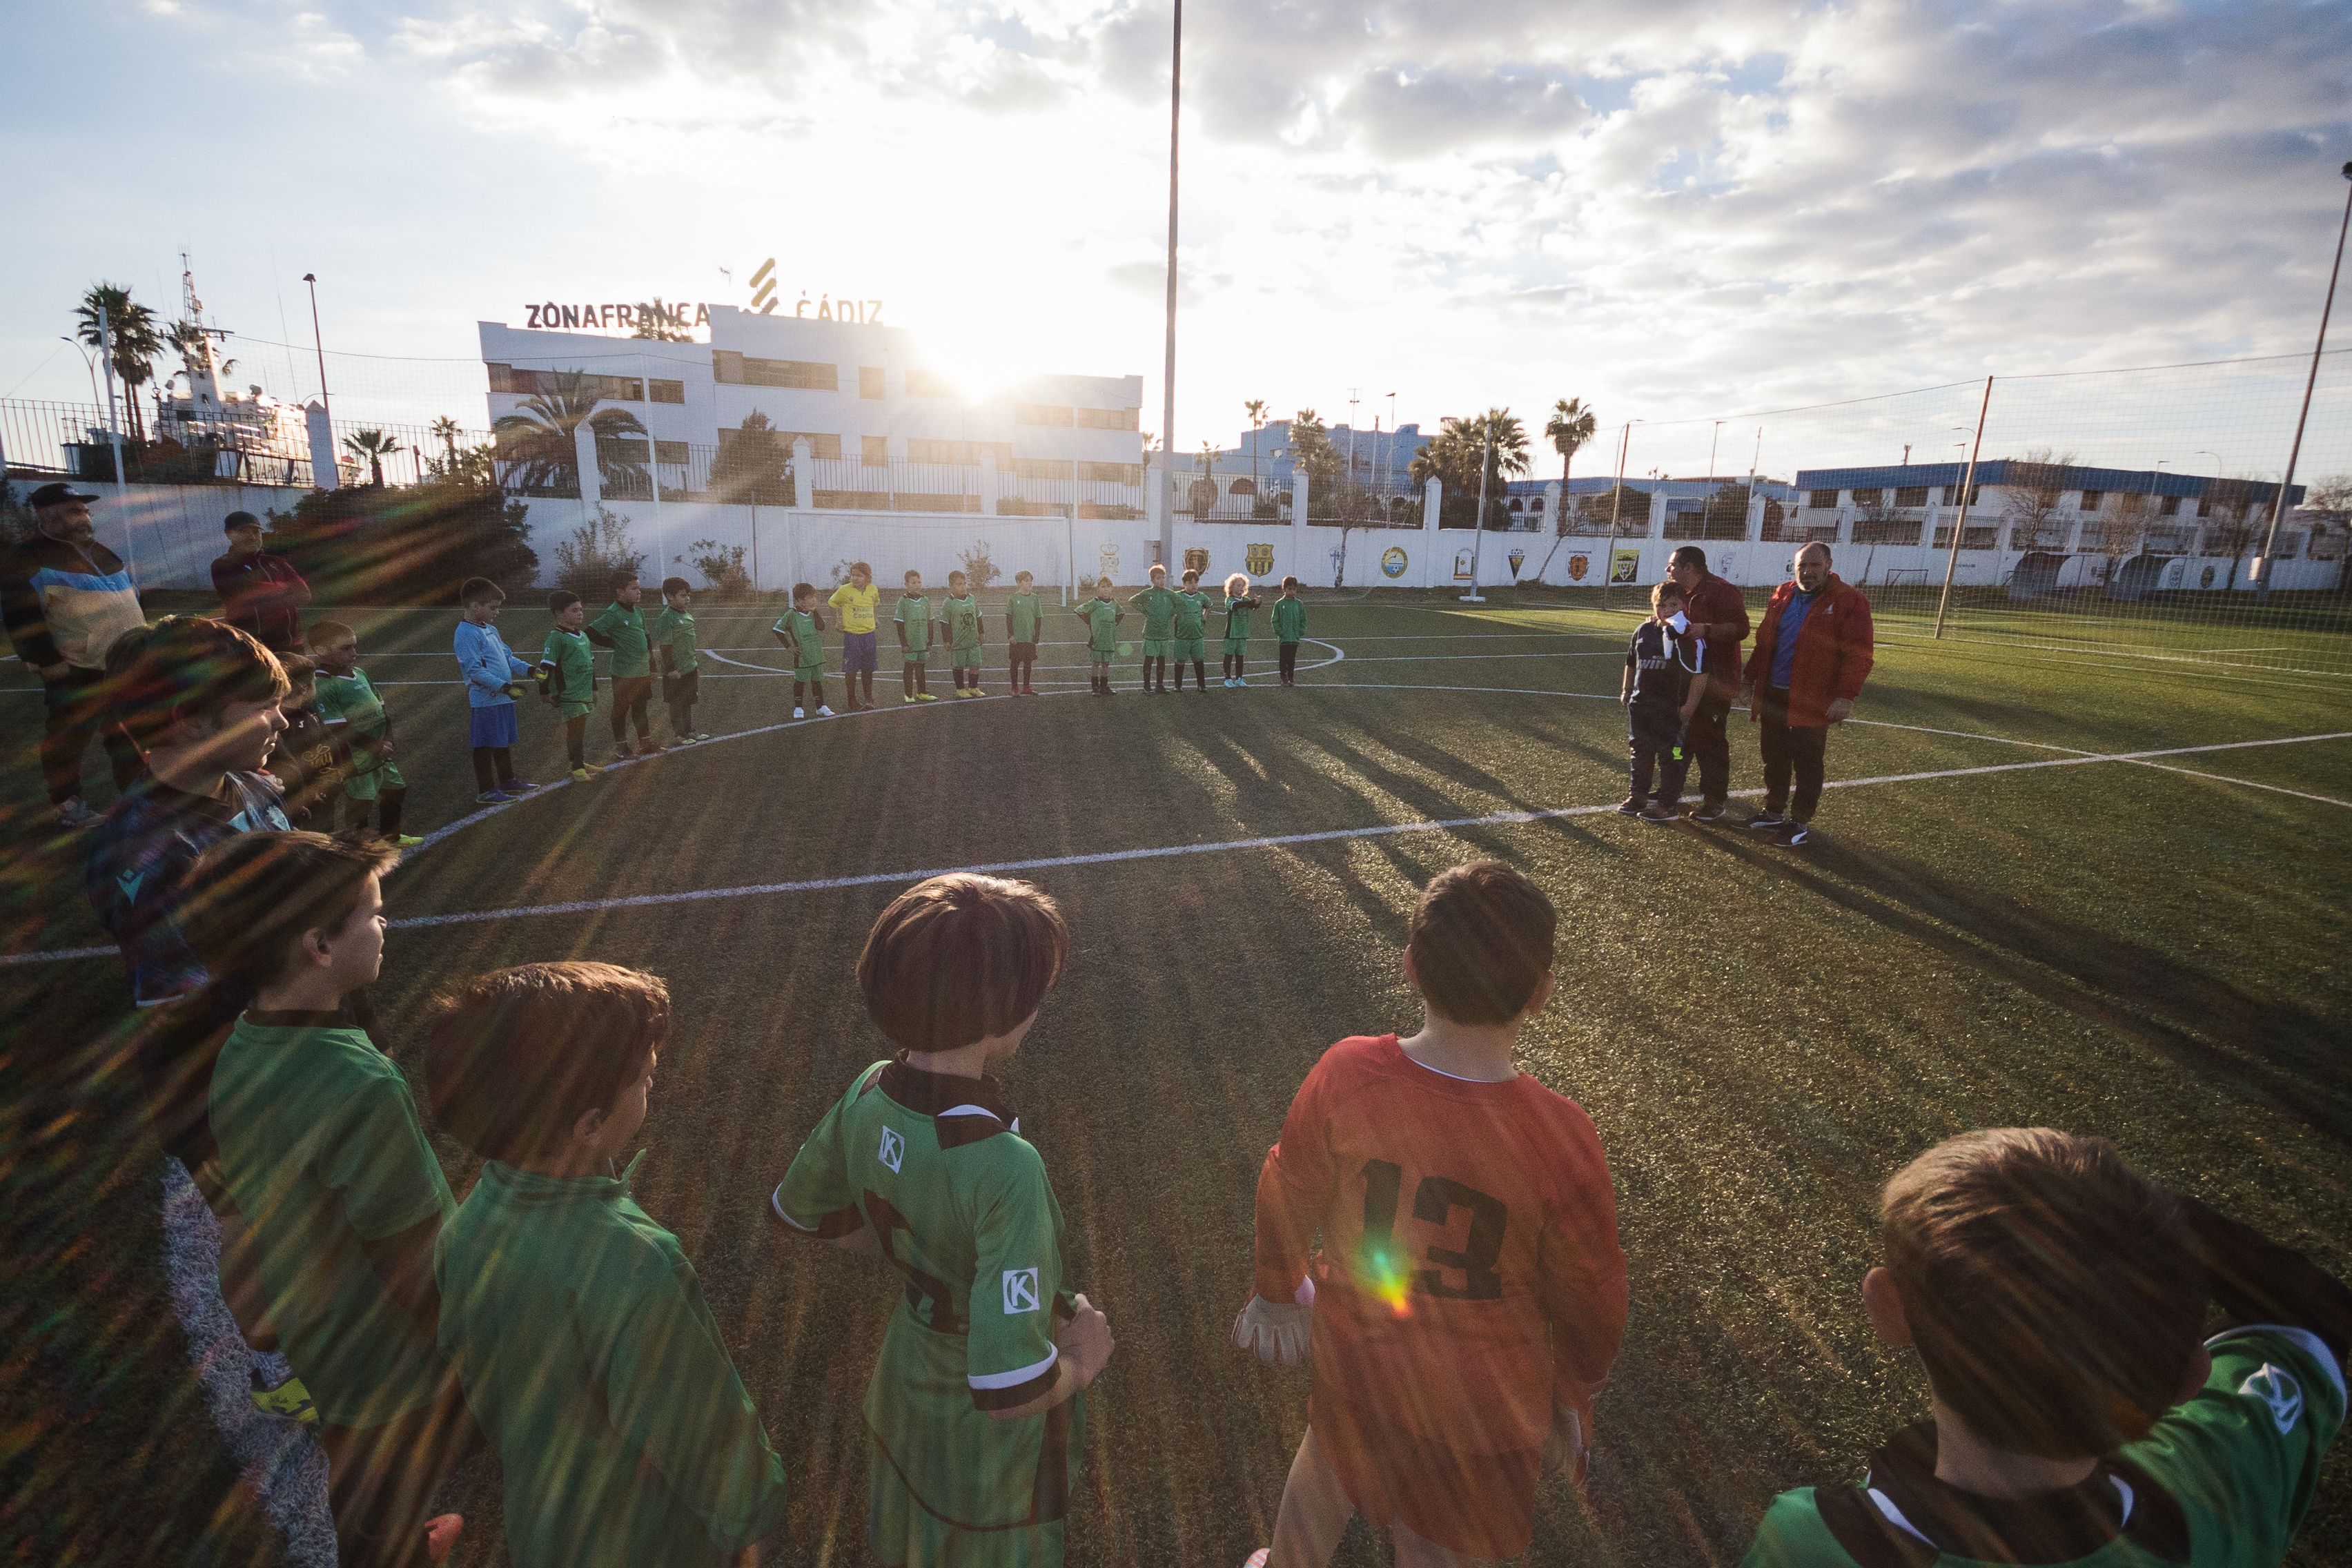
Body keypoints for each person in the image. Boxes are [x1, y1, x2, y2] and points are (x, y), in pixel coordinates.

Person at [1235, 861, 1627, 1568]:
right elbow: (1594, 1290)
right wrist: (1574, 1389)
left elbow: (1287, 1186)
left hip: (1360, 1358)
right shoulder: (1564, 1133)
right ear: (1540, 993)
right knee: (1441, 1537)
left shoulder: (1348, 1071)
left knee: (1326, 1463)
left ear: (1411, 966)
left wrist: (1275, 1291)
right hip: (1484, 1401)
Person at [1741, 1127, 2351, 1568]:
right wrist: (2152, 1221)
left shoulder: (1812, 1543)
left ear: (1887, 1308)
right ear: (2192, 1378)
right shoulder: (2209, 1487)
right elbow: (2316, 1322)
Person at [770, 874, 1113, 1568]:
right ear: (1002, 1014)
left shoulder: (866, 1090)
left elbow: (810, 1216)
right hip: (990, 1468)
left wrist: (922, 1250)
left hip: (902, 1399)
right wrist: (1082, 1360)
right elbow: (1008, 1387)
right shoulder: (1004, 1166)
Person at [427, 963, 790, 1568]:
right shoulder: (636, 1263)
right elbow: (702, 1435)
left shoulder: (465, 1227)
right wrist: (753, 1525)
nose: (653, 1087)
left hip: (545, 1530)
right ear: (589, 1126)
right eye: (645, 1079)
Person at [184, 830, 472, 1568]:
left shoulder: (244, 1047)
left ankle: (396, 1537)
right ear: (318, 946)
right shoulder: (358, 1084)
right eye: (372, 914)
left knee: (361, 1459)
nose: (384, 925)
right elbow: (410, 1254)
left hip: (324, 1331)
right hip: (392, 1354)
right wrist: (472, 1348)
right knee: (387, 1483)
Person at [84, 617, 293, 1345]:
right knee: (249, 1219)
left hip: (286, 1040)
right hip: (207, 1069)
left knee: (305, 1204)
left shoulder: (248, 787)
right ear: (183, 721)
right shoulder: (141, 846)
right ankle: (270, 1360)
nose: (281, 718)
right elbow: (191, 986)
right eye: (261, 707)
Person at [2, 482, 145, 829]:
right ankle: (68, 806)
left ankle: (140, 800)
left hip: (125, 666)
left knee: (128, 737)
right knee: (68, 742)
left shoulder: (102, 551)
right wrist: (50, 664)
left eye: (84, 510)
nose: (84, 517)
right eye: (73, 511)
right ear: (46, 516)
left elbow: (130, 598)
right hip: (78, 671)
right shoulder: (27, 558)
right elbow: (21, 618)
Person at [1742, 542, 1874, 849]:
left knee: (1807, 762)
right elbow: (1764, 642)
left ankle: (1799, 822)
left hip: (1812, 698)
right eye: (1802, 565)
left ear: (1828, 564)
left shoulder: (1850, 601)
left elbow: (1859, 654)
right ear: (1795, 566)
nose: (1808, 572)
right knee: (1773, 757)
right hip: (1774, 692)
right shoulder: (1783, 594)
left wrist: (1846, 695)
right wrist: (1749, 679)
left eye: (1815, 566)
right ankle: (1773, 812)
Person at [309, 618, 420, 847]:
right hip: (356, 756)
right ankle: (358, 846)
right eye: (346, 648)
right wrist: (375, 746)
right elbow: (338, 728)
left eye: (354, 646)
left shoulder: (359, 673)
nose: (354, 653)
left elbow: (381, 708)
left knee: (396, 789)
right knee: (361, 803)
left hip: (380, 750)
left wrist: (387, 740)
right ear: (321, 651)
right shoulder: (323, 684)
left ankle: (391, 837)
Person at [1665, 545, 1750, 822]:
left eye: (1672, 565)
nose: (1669, 570)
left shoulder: (1722, 591)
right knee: (1678, 741)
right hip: (1683, 682)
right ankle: (1671, 789)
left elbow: (1741, 629)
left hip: (1715, 683)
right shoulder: (1678, 594)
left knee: (1710, 743)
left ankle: (1714, 800)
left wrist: (1707, 629)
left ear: (1688, 567)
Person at [1618, 582, 1707, 823]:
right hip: (1642, 707)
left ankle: (1668, 804)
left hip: (1673, 711)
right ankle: (1637, 797)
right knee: (1640, 751)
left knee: (1674, 755)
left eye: (1673, 604)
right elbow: (1631, 662)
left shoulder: (1690, 636)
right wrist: (1627, 690)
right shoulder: (1644, 630)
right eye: (1661, 605)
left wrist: (1689, 706)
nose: (1667, 610)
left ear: (1684, 605)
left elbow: (1701, 674)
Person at [451, 579, 539, 805]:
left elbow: (508, 658)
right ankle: (486, 790)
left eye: (498, 607)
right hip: (486, 699)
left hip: (502, 698)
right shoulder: (466, 633)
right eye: (492, 607)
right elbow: (474, 670)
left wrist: (530, 670)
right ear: (473, 606)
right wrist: (506, 687)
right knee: (485, 745)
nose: (497, 612)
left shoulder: (491, 629)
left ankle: (508, 780)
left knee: (501, 741)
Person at [208, 509, 311, 654]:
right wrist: (285, 589)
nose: (252, 537)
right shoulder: (223, 565)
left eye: (256, 532)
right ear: (229, 534)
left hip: (292, 646)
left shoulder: (276, 562)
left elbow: (304, 594)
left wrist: (269, 593)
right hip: (253, 651)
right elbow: (250, 596)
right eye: (243, 532)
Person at [589, 570, 660, 763]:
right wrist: (613, 644)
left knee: (641, 708)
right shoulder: (613, 613)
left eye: (639, 588)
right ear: (619, 591)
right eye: (634, 588)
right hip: (623, 673)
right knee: (621, 709)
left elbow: (646, 639)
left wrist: (652, 667)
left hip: (642, 671)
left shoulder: (639, 612)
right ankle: (622, 748)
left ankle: (645, 744)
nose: (639, 592)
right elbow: (590, 632)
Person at [266, 653, 344, 831]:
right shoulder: (280, 723)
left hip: (325, 792)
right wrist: (304, 794)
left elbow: (330, 741)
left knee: (327, 836)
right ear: (304, 687)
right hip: (303, 806)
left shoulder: (309, 710)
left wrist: (337, 774)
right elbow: (283, 764)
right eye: (314, 681)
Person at [540, 592, 602, 783]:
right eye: (574, 610)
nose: (580, 614)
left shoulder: (582, 635)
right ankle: (577, 768)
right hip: (569, 693)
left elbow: (590, 664)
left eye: (581, 609)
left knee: (580, 729)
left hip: (583, 692)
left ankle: (580, 763)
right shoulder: (556, 638)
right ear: (559, 613)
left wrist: (594, 688)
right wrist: (544, 690)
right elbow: (546, 666)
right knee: (575, 730)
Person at [654, 577, 709, 746]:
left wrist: (694, 665)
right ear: (670, 596)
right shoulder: (667, 618)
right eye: (683, 595)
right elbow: (665, 646)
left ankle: (690, 731)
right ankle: (679, 734)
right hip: (676, 671)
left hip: (689, 667)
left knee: (688, 701)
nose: (687, 599)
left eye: (688, 595)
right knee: (676, 702)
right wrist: (671, 669)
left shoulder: (687, 615)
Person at [772, 584, 832, 719]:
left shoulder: (812, 614)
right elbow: (777, 630)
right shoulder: (791, 614)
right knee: (800, 681)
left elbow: (822, 627)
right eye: (810, 597)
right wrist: (789, 647)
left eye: (814, 596)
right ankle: (798, 707)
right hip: (802, 656)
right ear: (800, 600)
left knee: (817, 680)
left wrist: (815, 611)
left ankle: (820, 706)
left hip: (816, 653)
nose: (814, 599)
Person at [831, 561, 881, 712]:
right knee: (851, 669)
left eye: (859, 575)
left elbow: (875, 604)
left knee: (868, 668)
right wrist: (839, 619)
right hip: (852, 635)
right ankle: (851, 699)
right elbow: (834, 603)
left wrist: (875, 618)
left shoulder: (873, 590)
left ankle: (868, 698)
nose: (855, 578)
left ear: (867, 577)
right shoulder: (844, 590)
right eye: (853, 575)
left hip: (869, 635)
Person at [1129, 563, 1179, 693]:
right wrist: (1145, 610)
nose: (1161, 581)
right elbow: (1132, 601)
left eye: (1163, 578)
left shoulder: (1169, 594)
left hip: (1163, 633)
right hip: (1150, 632)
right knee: (1149, 659)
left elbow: (1181, 603)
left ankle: (1160, 685)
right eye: (1158, 578)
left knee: (1161, 660)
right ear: (1152, 580)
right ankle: (1147, 685)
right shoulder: (1147, 593)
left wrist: (1171, 612)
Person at [1072, 577, 1122, 696]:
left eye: (1108, 587)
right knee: (1096, 663)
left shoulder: (1114, 604)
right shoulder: (1094, 602)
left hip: (1109, 639)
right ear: (1098, 589)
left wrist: (1115, 623)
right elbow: (1079, 610)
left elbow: (1121, 613)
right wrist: (1089, 622)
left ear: (1112, 589)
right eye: (1103, 587)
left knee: (1106, 664)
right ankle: (1095, 687)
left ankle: (1104, 686)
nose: (1106, 590)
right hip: (1097, 639)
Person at [894, 569, 937, 704]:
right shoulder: (903, 601)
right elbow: (899, 624)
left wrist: (930, 641)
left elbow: (930, 622)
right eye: (913, 582)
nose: (917, 585)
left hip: (922, 641)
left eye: (919, 582)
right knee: (909, 667)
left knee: (921, 667)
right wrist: (904, 643)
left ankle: (922, 692)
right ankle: (908, 694)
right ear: (906, 584)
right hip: (911, 643)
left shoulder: (925, 600)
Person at [943, 569, 986, 698]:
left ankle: (973, 687)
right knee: (958, 666)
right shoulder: (948, 603)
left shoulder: (972, 599)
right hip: (958, 641)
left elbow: (978, 617)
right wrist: (947, 640)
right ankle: (960, 689)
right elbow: (945, 623)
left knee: (975, 664)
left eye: (964, 583)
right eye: (959, 584)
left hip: (973, 640)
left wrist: (981, 633)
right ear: (952, 586)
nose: (963, 587)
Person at [1004, 569, 1045, 696]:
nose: (1029, 583)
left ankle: (1026, 687)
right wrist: (1010, 635)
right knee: (1015, 663)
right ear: (1019, 583)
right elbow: (1009, 618)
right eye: (1026, 581)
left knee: (1028, 663)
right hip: (1017, 638)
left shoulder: (1035, 598)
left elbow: (1038, 618)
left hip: (1029, 638)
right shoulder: (1013, 598)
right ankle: (1015, 688)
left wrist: (1036, 635)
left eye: (1031, 581)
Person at [1219, 573, 1263, 688]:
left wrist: (1258, 602)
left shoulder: (1246, 599)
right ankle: (1227, 678)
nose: (1241, 588)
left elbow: (1253, 607)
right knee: (1228, 657)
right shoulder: (1229, 600)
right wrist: (1251, 602)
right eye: (1238, 585)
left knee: (1240, 657)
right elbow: (1235, 606)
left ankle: (1239, 678)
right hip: (1232, 633)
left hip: (1242, 633)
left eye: (1242, 586)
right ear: (1232, 587)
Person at [1173, 568, 1212, 692]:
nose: (1193, 585)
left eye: (1196, 582)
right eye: (1190, 583)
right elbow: (1170, 606)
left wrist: (1204, 617)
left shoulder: (1202, 597)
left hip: (1197, 636)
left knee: (1198, 660)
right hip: (1182, 636)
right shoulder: (1178, 596)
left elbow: (1209, 606)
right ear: (1184, 584)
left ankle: (1201, 685)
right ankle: (1178, 686)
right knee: (1180, 661)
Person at [1272, 576, 1308, 687]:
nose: (1292, 592)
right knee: (1283, 659)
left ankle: (1291, 677)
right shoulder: (1279, 604)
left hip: (1294, 638)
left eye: (1294, 589)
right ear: (1284, 589)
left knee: (1292, 659)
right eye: (1290, 589)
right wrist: (1280, 632)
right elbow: (1275, 620)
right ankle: (1283, 677)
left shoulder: (1299, 604)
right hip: (1284, 638)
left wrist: (1301, 631)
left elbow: (1304, 619)